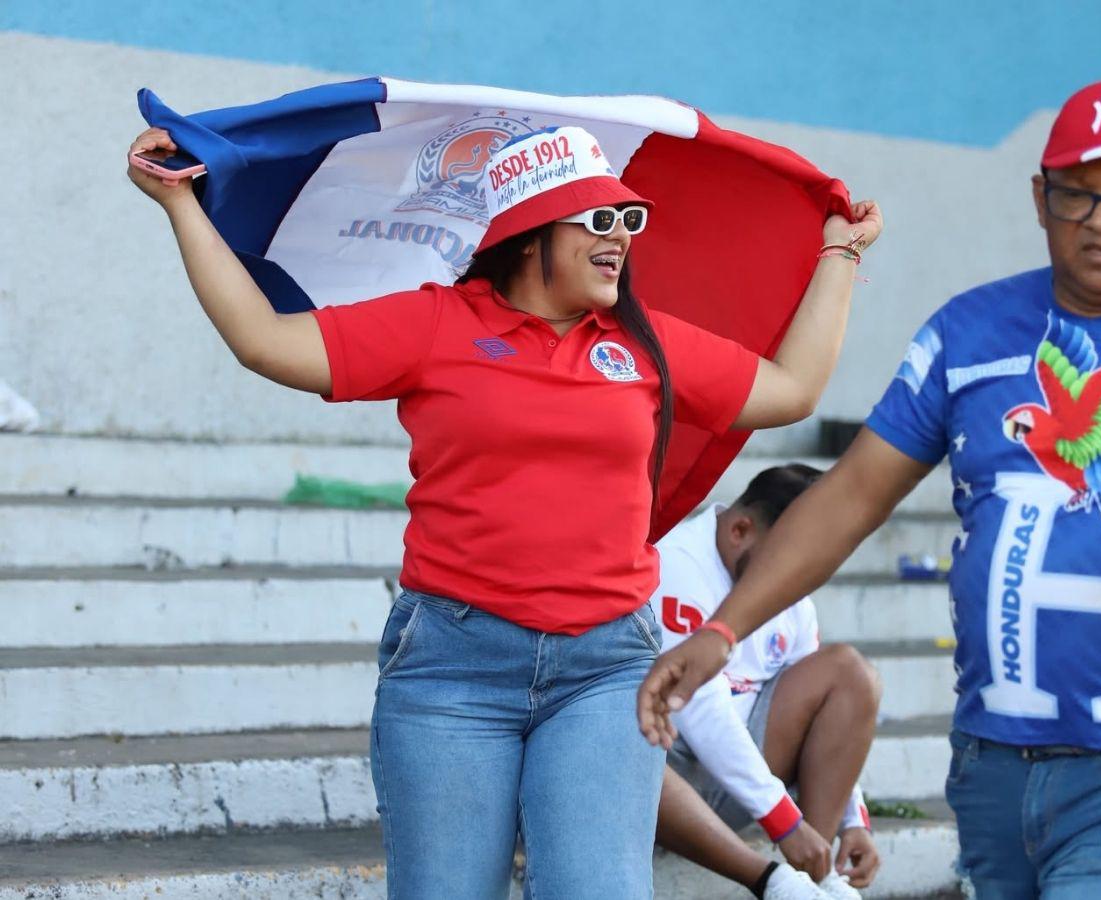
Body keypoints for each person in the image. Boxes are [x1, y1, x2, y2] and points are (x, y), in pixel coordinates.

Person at [128, 121, 882, 900]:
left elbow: (791, 389)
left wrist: (841, 253)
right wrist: (181, 205)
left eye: (630, 219)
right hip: (452, 669)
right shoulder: (435, 323)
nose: (620, 237)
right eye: (598, 219)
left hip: (606, 668)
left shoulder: (644, 341)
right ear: (528, 235)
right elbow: (263, 340)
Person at [638, 77, 1101, 899]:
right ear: (1041, 200)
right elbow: (852, 495)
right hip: (991, 761)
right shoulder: (967, 332)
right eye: (1079, 195)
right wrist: (724, 632)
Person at [651, 464, 881, 900]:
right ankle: (773, 881)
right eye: (791, 557)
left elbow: (821, 710)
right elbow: (699, 711)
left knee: (850, 673)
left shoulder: (790, 587)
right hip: (665, 782)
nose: (799, 575)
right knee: (625, 744)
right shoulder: (677, 564)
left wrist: (854, 820)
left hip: (741, 782)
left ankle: (817, 876)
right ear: (740, 530)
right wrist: (785, 822)